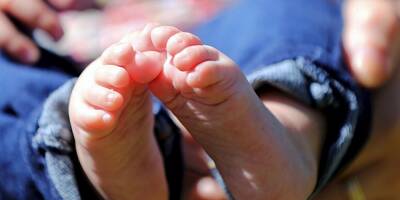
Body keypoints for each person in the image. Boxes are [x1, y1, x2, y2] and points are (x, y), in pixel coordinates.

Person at [0, 0, 398, 200]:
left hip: (228, 50)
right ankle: (81, 163)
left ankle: (285, 138)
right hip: (45, 59)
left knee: (289, 11)